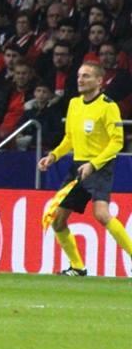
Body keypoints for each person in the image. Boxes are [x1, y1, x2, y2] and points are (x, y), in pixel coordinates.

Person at [38, 62, 132, 276]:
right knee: (58, 220)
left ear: (99, 81)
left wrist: (94, 164)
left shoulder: (108, 106)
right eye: (80, 75)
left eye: (86, 76)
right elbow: (69, 138)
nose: (80, 79)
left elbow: (117, 142)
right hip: (77, 167)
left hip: (99, 166)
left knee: (101, 214)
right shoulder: (74, 104)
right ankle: (77, 267)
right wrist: (53, 156)